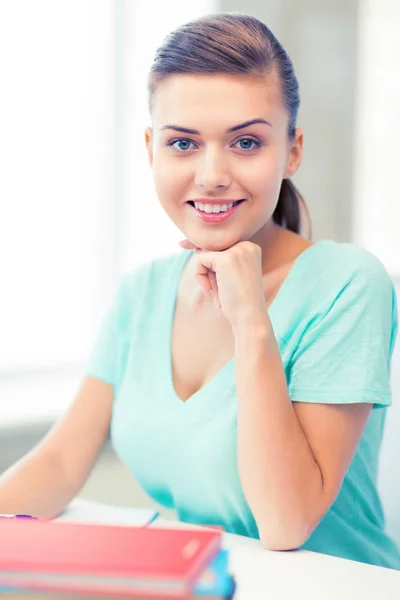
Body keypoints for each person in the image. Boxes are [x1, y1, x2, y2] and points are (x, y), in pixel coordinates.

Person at [1, 12, 399, 570]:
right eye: (183, 143)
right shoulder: (141, 294)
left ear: (292, 151)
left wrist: (252, 322)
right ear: (151, 150)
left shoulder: (350, 286)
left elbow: (285, 523)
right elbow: (62, 463)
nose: (212, 174)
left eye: (246, 142)